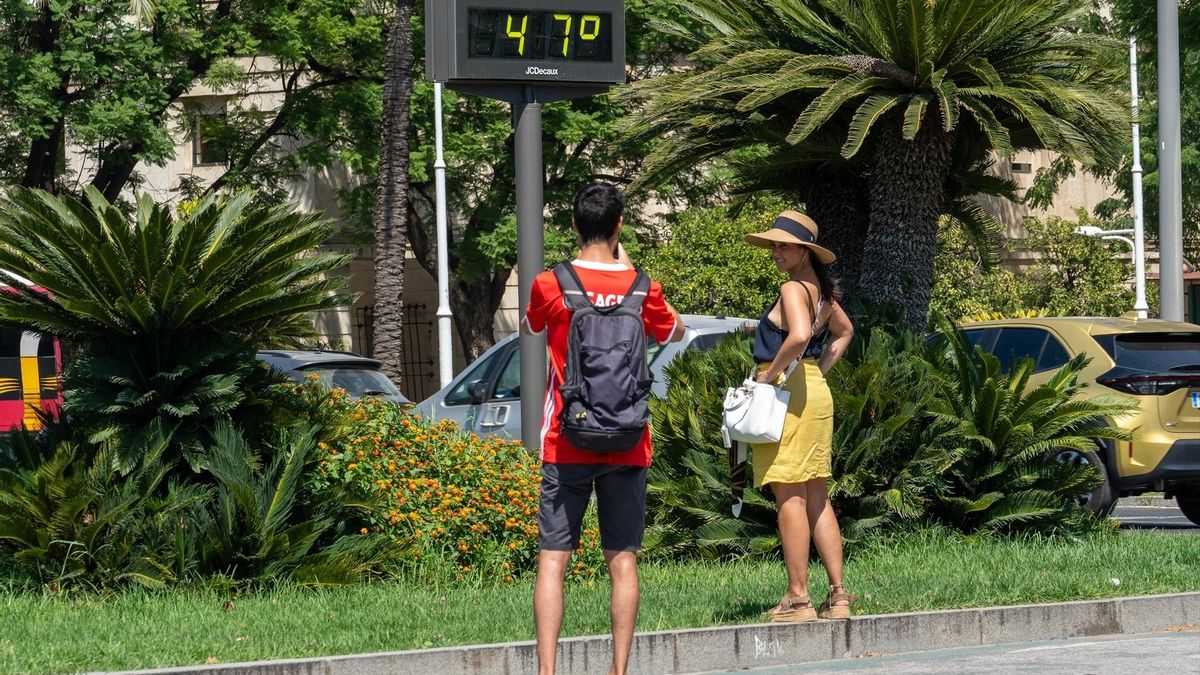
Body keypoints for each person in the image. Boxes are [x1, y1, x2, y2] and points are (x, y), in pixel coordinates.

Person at [523, 182, 684, 675]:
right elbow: (672, 329)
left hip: (565, 440)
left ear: (574, 225)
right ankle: (619, 670)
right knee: (623, 560)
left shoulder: (551, 283)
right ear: (619, 225)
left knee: (553, 560)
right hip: (629, 441)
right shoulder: (643, 286)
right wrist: (628, 266)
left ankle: (548, 672)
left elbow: (532, 327)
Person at [744, 209, 854, 622]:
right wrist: (816, 371)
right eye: (773, 244)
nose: (775, 251)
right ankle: (838, 596)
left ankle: (798, 598)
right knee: (816, 495)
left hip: (786, 396)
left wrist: (770, 375)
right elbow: (844, 333)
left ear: (805, 252)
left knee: (788, 493)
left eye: (784, 245)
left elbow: (800, 336)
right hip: (813, 393)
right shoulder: (823, 296)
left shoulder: (792, 289)